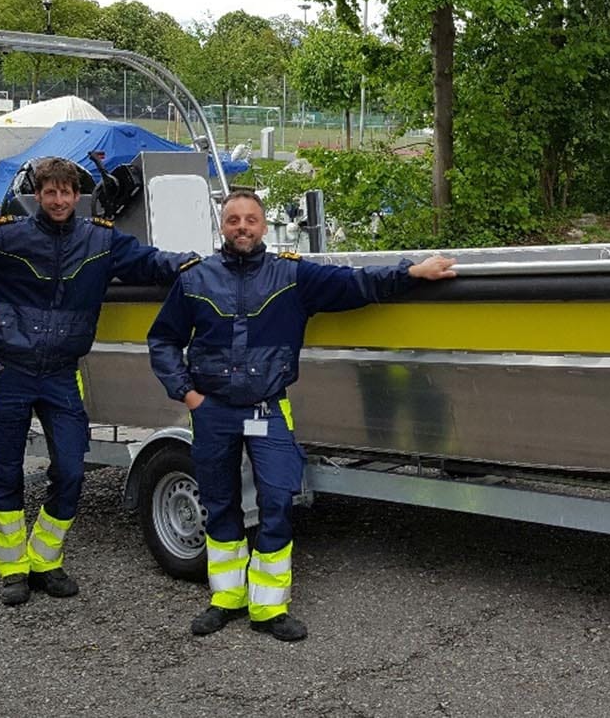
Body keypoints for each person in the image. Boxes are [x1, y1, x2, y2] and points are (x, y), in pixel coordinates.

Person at [147, 191, 457, 642]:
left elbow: (355, 284)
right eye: (233, 219)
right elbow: (163, 340)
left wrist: (411, 272)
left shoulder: (292, 276)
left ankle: (269, 607)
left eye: (250, 219)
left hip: (268, 408)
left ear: (263, 226)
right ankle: (226, 598)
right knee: (219, 503)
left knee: (276, 500)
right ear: (221, 226)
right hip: (212, 411)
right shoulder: (196, 279)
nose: (242, 227)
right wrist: (188, 395)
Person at [0, 156, 196, 606]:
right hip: (10, 372)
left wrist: (192, 265)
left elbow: (149, 263)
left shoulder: (101, 240)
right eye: (49, 192)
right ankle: (12, 568)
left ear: (78, 196)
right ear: (37, 194)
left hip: (61, 375)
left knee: (71, 471)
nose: (58, 200)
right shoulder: (6, 235)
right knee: (6, 471)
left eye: (66, 192)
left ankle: (45, 559)